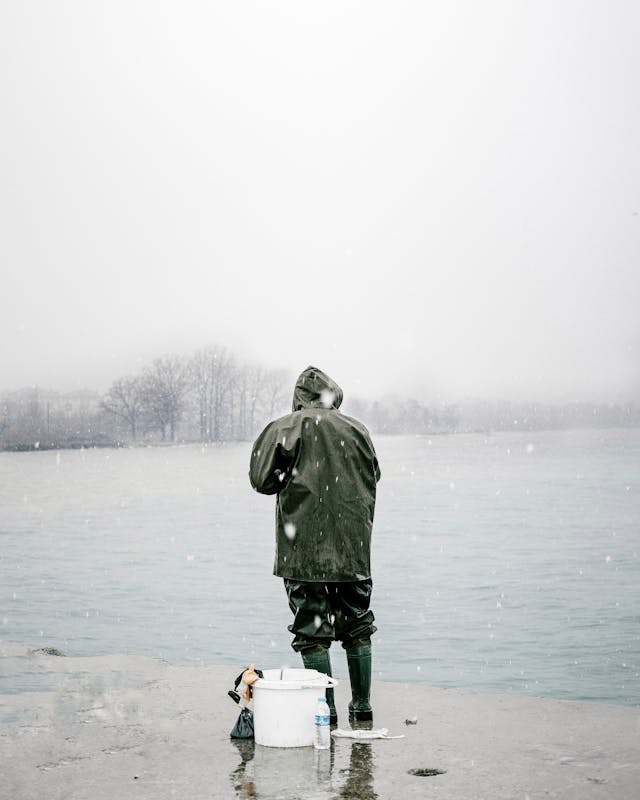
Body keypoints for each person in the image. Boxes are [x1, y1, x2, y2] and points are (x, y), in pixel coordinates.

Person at [249, 366, 381, 724]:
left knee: (312, 632)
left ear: (299, 397)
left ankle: (328, 712)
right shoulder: (358, 430)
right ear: (332, 395)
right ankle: (362, 707)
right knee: (358, 626)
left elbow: (261, 481)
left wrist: (292, 475)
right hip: (353, 551)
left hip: (303, 552)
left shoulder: (286, 428)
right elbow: (374, 476)